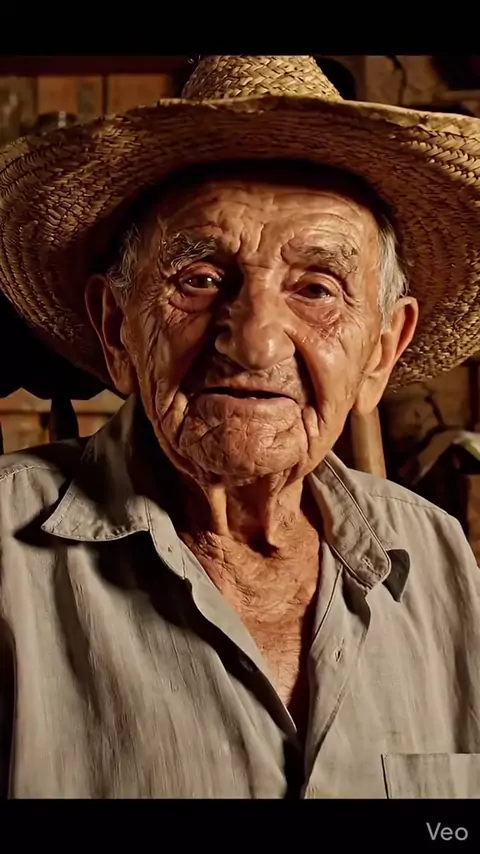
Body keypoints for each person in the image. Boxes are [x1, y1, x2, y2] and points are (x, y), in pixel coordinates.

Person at [0, 55, 480, 800]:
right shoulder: (9, 557)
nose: (255, 343)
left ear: (383, 351)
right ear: (117, 327)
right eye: (199, 280)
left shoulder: (438, 557)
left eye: (316, 288)